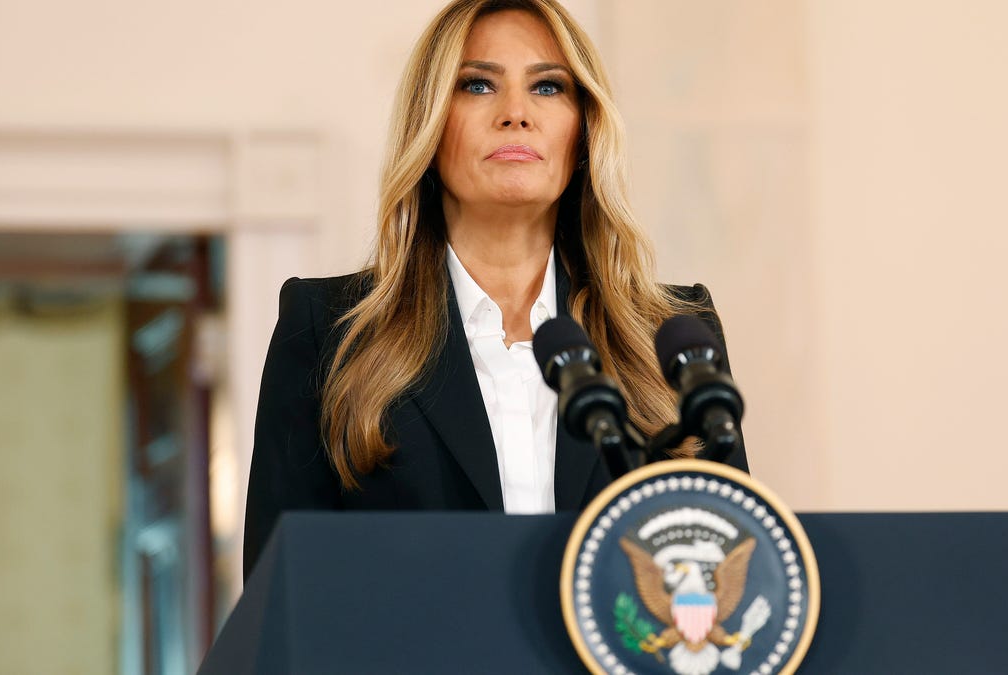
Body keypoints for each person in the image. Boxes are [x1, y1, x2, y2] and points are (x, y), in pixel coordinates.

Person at [243, 0, 748, 580]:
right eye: (478, 85)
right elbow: (281, 602)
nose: (516, 113)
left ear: (583, 135)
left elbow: (734, 575)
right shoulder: (328, 330)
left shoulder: (674, 336)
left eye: (549, 88)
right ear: (429, 126)